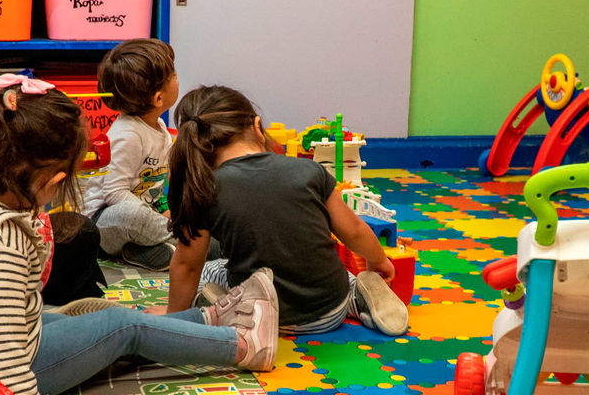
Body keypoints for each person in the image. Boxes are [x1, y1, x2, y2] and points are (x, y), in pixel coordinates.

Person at [0, 82, 280, 395]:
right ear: (52, 182)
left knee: (110, 325)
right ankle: (240, 345)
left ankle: (205, 320)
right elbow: (1, 362)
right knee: (122, 327)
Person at [166, 85, 410, 338]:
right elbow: (356, 231)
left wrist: (173, 318)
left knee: (210, 269)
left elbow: (187, 265)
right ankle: (359, 298)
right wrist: (379, 260)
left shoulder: (204, 190)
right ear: (257, 126)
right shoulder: (308, 171)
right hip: (331, 309)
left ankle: (224, 307)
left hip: (265, 319)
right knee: (344, 276)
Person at [81, 39, 180, 270]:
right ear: (158, 99)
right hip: (103, 223)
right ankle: (193, 244)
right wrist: (161, 220)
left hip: (144, 219)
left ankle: (141, 251)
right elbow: (114, 193)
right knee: (132, 215)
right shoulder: (128, 134)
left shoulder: (160, 129)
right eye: (173, 75)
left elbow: (156, 184)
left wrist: (165, 211)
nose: (177, 77)